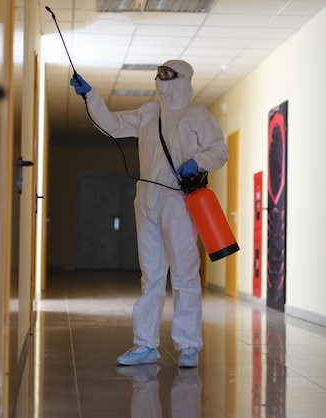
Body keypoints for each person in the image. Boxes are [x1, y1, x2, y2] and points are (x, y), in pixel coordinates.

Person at [70, 59, 228, 368]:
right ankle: (144, 344)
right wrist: (92, 97)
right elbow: (113, 126)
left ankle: (188, 346)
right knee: (151, 274)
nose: (160, 79)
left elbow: (220, 150)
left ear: (182, 79)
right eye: (158, 74)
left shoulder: (197, 114)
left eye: (166, 74)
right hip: (146, 199)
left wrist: (198, 161)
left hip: (178, 201)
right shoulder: (148, 113)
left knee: (184, 274)